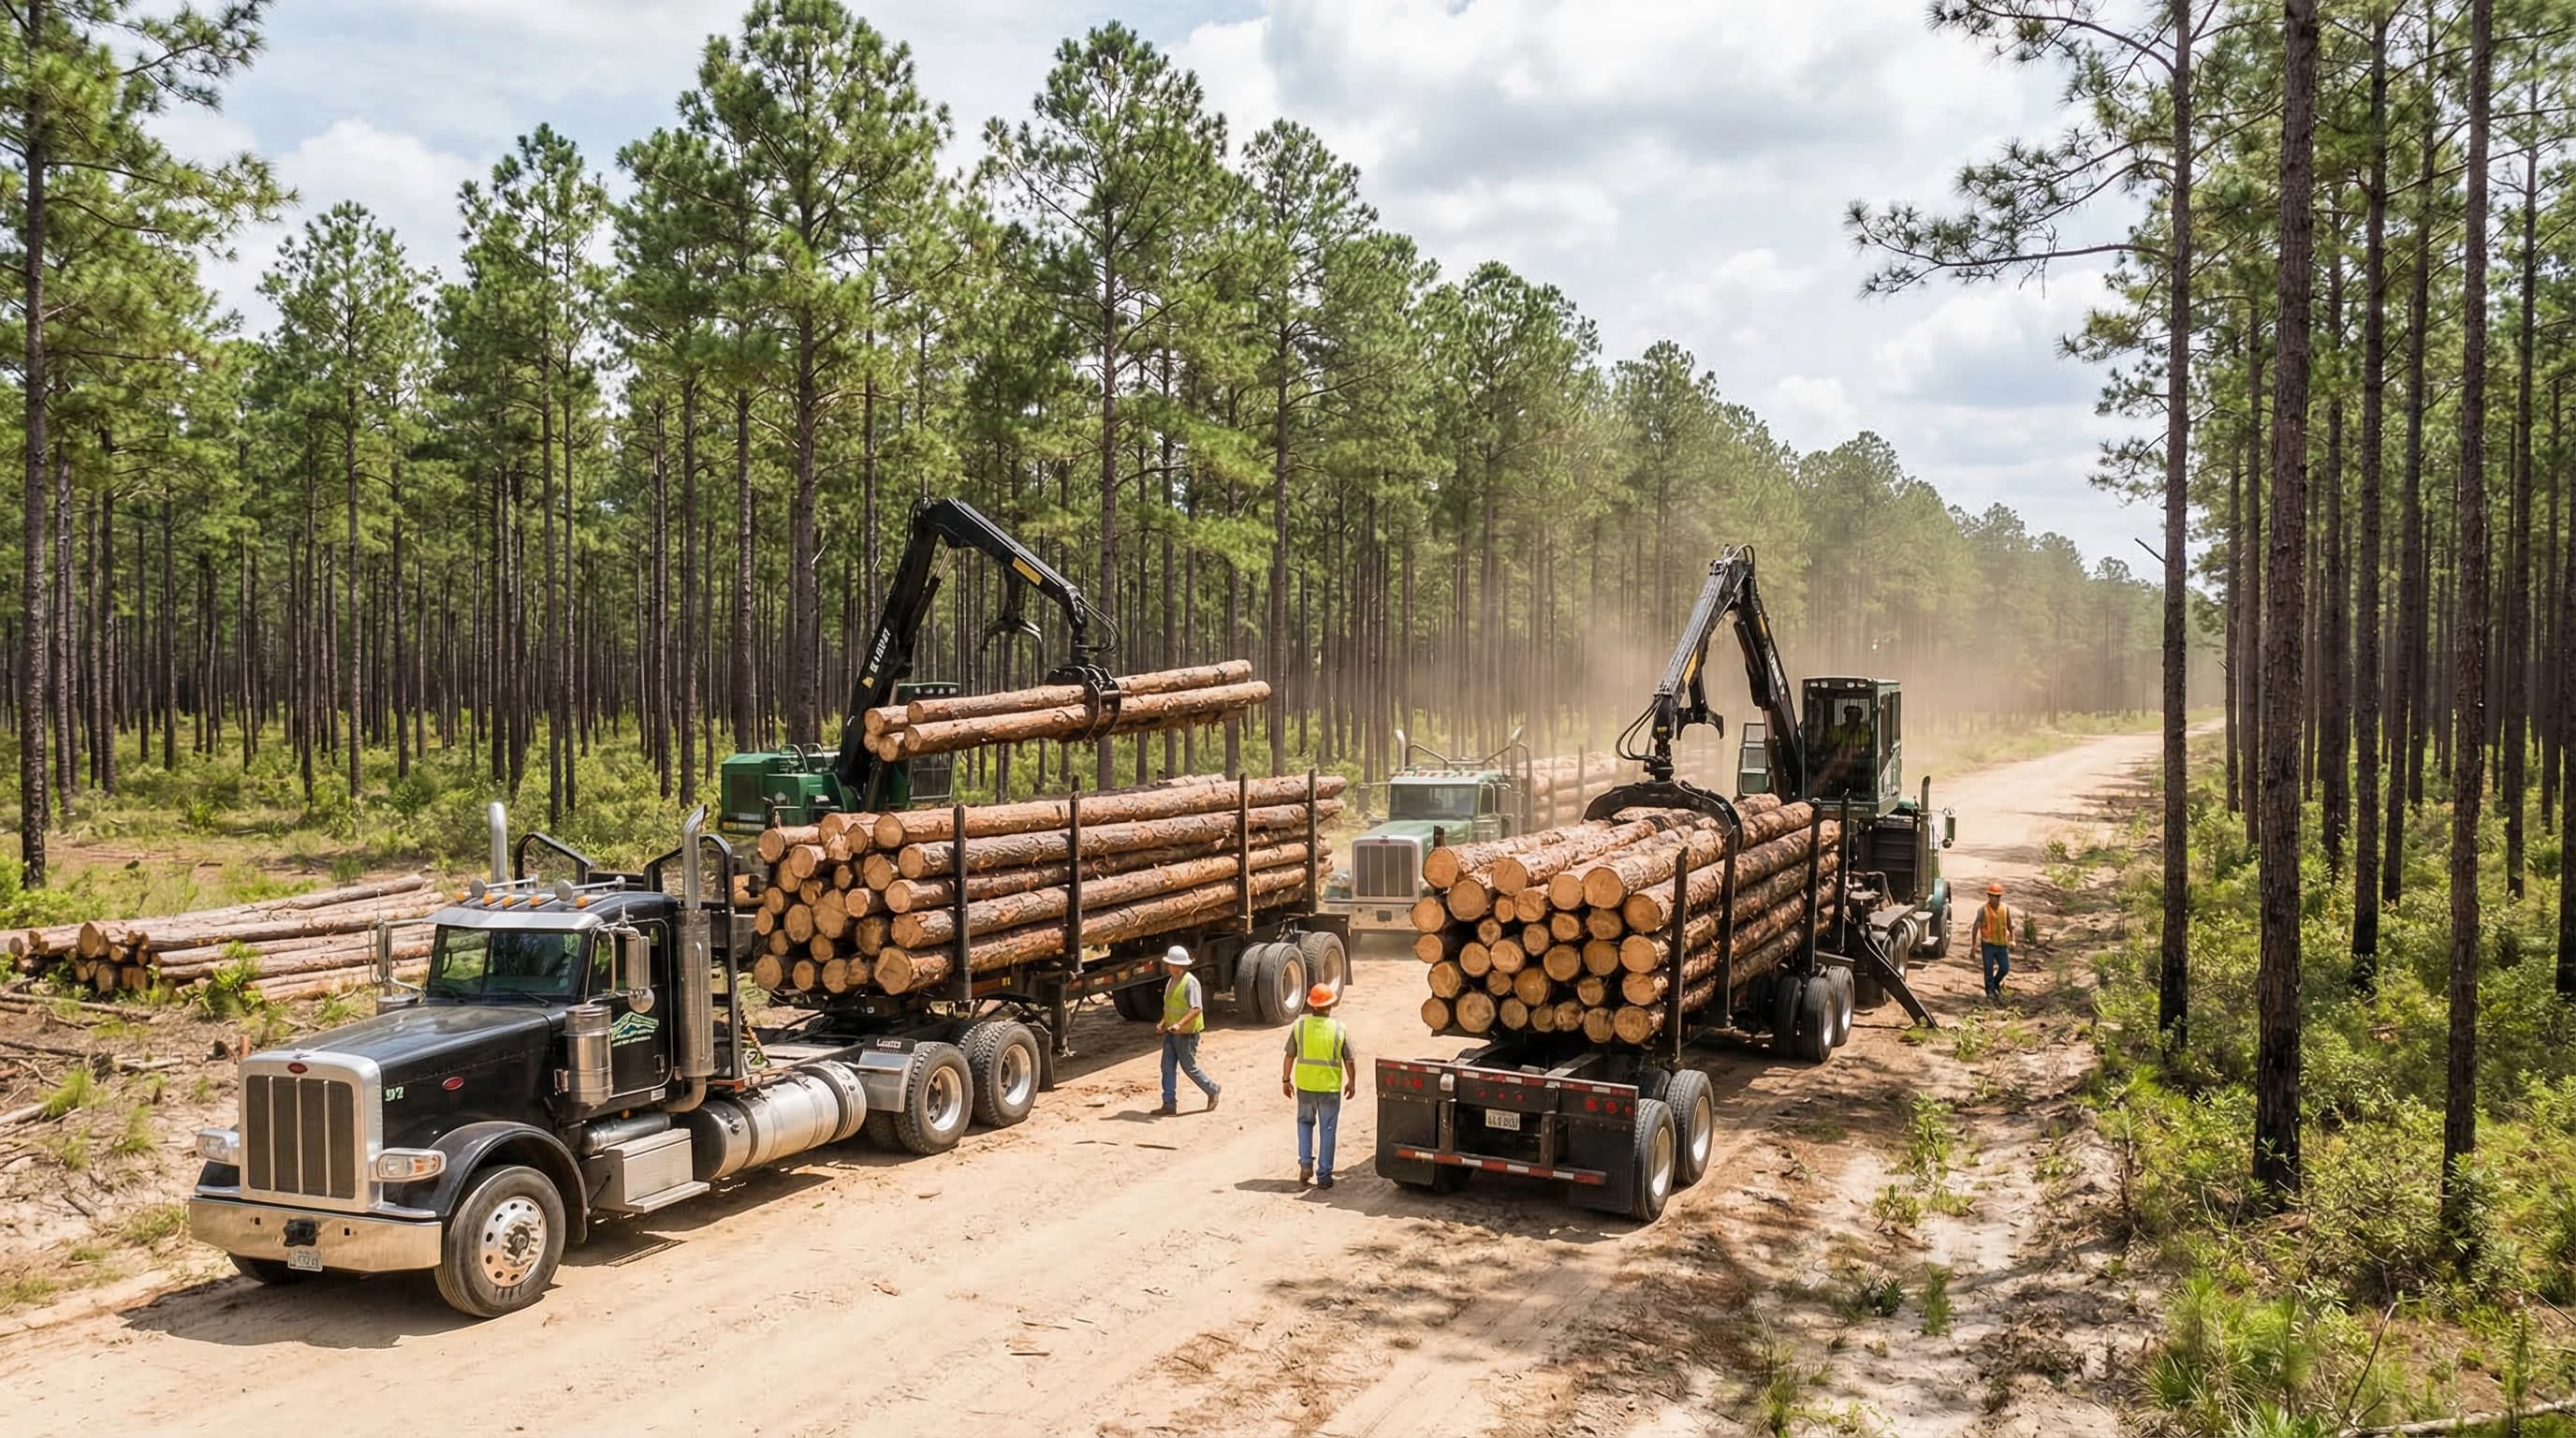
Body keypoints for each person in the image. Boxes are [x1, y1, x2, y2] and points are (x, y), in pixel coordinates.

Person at [1281, 983, 1356, 1188]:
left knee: (1304, 1124)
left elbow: (1289, 1056)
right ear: (1330, 1005)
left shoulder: (1300, 1027)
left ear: (1312, 1005)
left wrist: (1286, 1080)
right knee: (1328, 1130)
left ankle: (1305, 1164)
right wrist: (1351, 1082)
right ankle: (1324, 1176)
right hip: (1329, 1090)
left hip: (1305, 1087)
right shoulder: (1339, 1029)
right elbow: (1349, 1060)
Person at [1156, 946, 1221, 1115]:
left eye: (1171, 964)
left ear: (1179, 965)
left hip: (1186, 1034)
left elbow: (1196, 1008)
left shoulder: (1190, 982)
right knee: (1167, 1067)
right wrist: (1163, 1022)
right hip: (1171, 1033)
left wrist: (1179, 1024)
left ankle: (1212, 1089)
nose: (1169, 967)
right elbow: (1170, 1006)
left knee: (1188, 1067)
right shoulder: (1171, 981)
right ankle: (1169, 1104)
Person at [1975, 882, 2020, 1002]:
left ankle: (1996, 983)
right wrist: (1973, 946)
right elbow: (1976, 926)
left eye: (1997, 896)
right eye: (1992, 896)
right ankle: (1990, 991)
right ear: (1989, 896)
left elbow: (2010, 925)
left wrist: (2013, 939)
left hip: (2001, 945)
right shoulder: (1983, 909)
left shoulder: (2004, 908)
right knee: (1988, 969)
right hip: (1988, 944)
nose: (1994, 899)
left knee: (2005, 968)